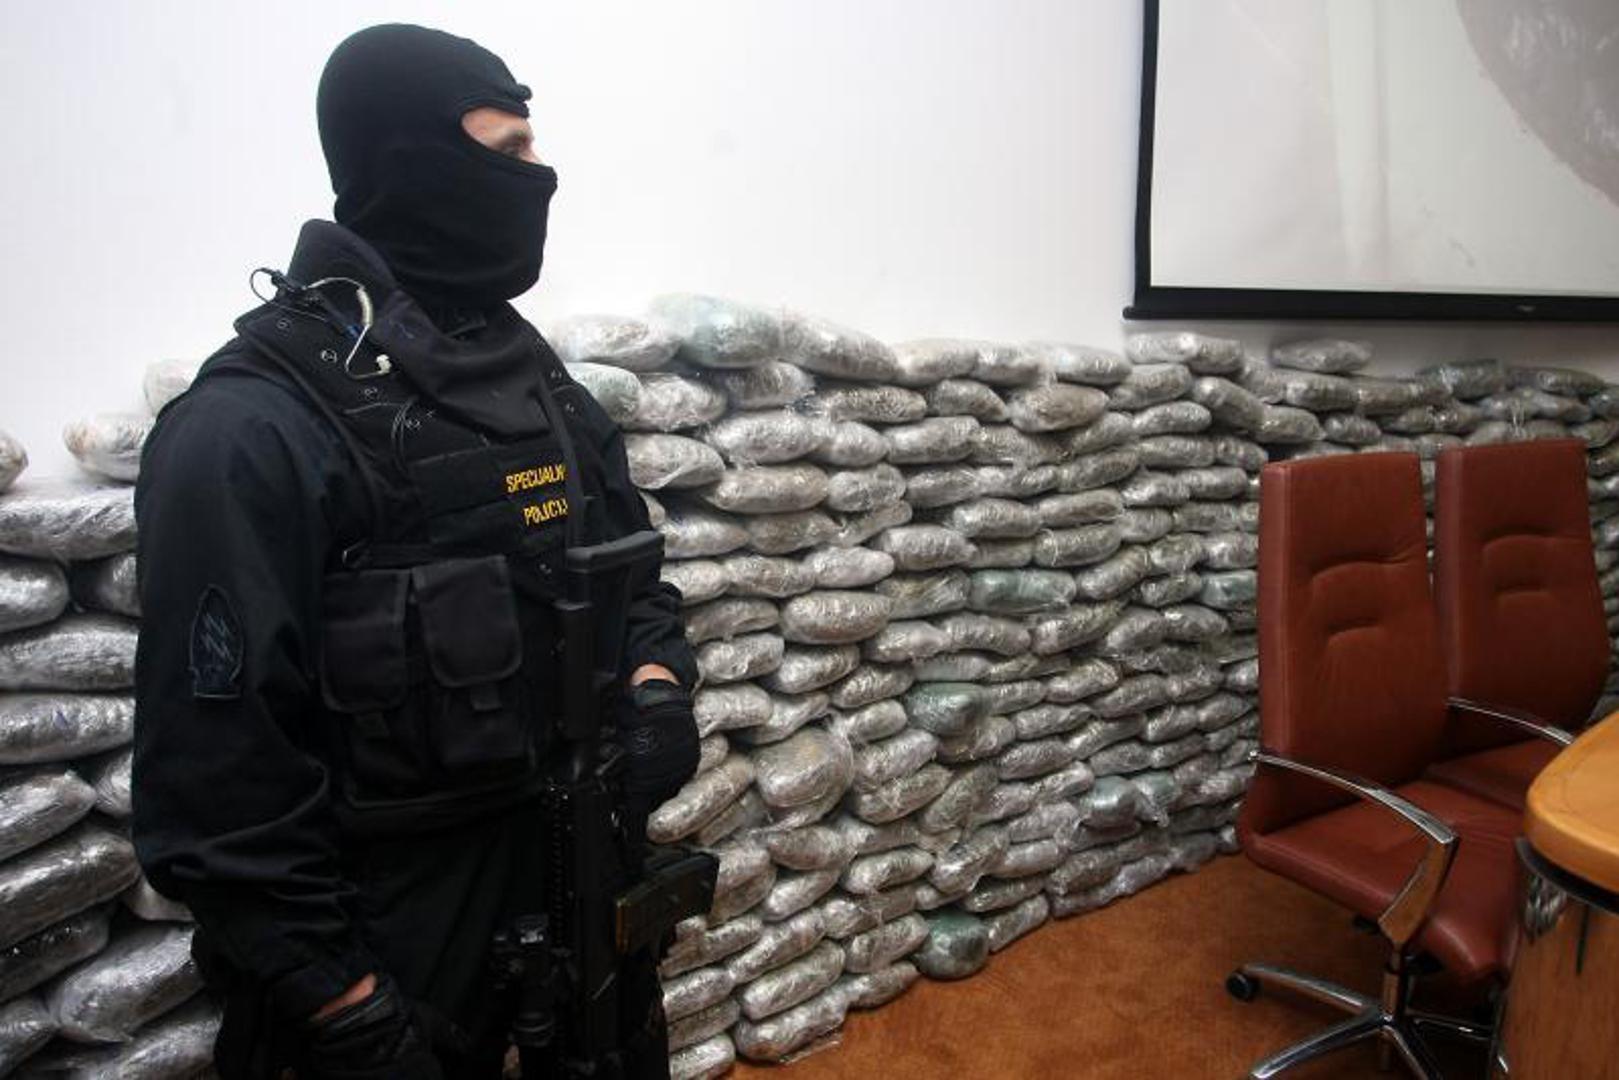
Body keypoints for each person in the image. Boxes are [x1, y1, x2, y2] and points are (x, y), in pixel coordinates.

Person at [131, 23, 699, 1079]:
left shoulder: (539, 384)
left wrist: (657, 688)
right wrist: (345, 1007)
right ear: (407, 161)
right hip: (391, 951)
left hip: (578, 887)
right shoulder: (250, 429)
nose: (538, 177)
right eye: (509, 148)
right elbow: (217, 786)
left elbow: (632, 579)